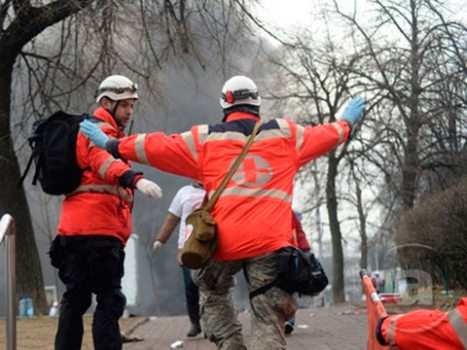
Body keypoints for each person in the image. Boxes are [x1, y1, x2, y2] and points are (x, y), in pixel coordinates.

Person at [79, 75, 366, 349]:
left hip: (225, 241)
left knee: (210, 287)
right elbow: (328, 135)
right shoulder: (287, 134)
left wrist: (114, 144)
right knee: (269, 315)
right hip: (271, 243)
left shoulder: (205, 139)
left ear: (225, 104)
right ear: (257, 103)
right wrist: (346, 122)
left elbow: (158, 146)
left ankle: (230, 344)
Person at [49, 75, 163, 350]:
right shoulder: (96, 132)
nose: (129, 112)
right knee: (109, 300)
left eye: (131, 106)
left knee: (74, 300)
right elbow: (104, 162)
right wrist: (135, 179)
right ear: (107, 103)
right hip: (98, 233)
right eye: (124, 105)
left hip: (74, 231)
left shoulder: (97, 130)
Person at [152, 182, 205, 337]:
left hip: (210, 246)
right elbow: (173, 218)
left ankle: (211, 322)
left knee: (210, 286)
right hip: (187, 247)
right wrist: (161, 239)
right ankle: (195, 321)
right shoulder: (184, 192)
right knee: (190, 285)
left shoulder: (215, 186)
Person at [285, 210, 311, 336]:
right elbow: (299, 231)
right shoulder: (289, 212)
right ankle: (288, 320)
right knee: (289, 288)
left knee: (289, 288)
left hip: (288, 253)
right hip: (290, 253)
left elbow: (299, 231)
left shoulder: (288, 212)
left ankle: (289, 320)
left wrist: (305, 249)